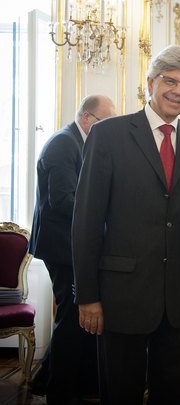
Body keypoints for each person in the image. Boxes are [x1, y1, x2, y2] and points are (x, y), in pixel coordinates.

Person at [72, 45, 180, 405]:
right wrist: (87, 295)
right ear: (150, 83)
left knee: (173, 394)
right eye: (170, 81)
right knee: (121, 393)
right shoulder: (109, 135)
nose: (178, 91)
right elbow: (86, 220)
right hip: (122, 295)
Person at [29, 95, 115, 404]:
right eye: (105, 123)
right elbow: (62, 200)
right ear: (89, 118)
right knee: (71, 319)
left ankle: (50, 381)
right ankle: (60, 392)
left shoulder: (77, 142)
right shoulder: (64, 143)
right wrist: (102, 214)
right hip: (62, 247)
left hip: (68, 245)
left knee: (74, 318)